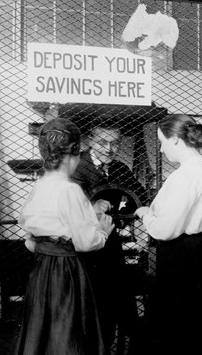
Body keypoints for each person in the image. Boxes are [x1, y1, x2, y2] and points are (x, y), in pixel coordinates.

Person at [11, 118, 114, 355]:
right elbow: (85, 242)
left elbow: (29, 238)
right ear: (75, 154)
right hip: (67, 272)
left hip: (41, 271)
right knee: (68, 328)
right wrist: (103, 233)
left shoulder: (39, 185)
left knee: (42, 329)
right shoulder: (70, 190)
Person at [134, 114, 202, 355]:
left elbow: (166, 229)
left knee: (177, 329)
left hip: (182, 259)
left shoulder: (187, 175)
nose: (161, 149)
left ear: (175, 140)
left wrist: (145, 215)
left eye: (163, 141)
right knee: (199, 326)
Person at [70, 124, 146, 347]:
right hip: (80, 246)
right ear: (90, 141)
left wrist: (124, 212)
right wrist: (90, 206)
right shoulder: (76, 167)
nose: (110, 148)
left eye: (115, 143)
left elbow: (138, 197)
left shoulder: (120, 168)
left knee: (117, 301)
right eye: (103, 142)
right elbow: (65, 206)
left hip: (110, 242)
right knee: (89, 307)